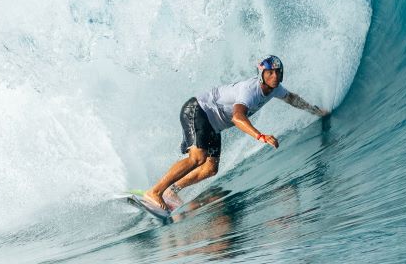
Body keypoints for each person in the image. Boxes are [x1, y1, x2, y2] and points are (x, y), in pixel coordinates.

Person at [138, 55, 329, 217]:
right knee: (198, 158)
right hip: (198, 111)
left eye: (278, 72)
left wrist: (314, 110)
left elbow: (292, 98)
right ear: (261, 75)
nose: (275, 76)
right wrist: (260, 136)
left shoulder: (275, 89)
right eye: (270, 72)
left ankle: (172, 190)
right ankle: (154, 192)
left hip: (213, 124)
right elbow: (238, 117)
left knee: (210, 169)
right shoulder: (250, 91)